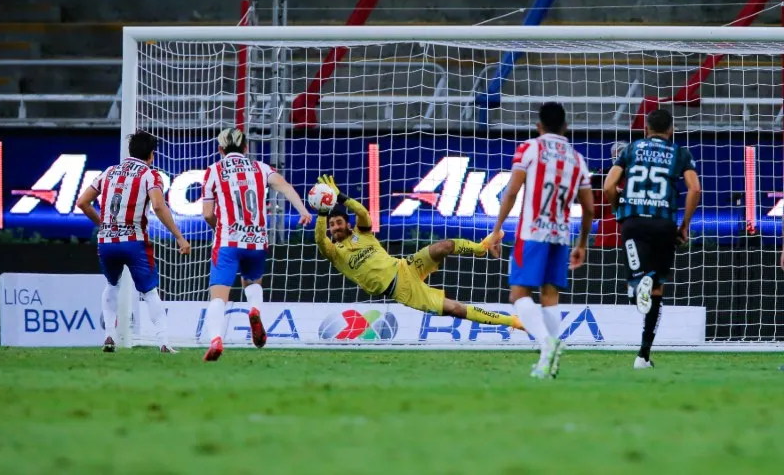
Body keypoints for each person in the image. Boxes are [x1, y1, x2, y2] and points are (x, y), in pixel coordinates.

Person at [313, 175, 525, 334]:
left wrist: (340, 197)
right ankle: (513, 321)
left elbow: (362, 212)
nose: (336, 227)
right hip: (403, 291)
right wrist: (323, 213)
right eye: (332, 225)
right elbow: (320, 239)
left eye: (339, 222)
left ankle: (481, 248)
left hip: (405, 266)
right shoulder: (334, 253)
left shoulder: (362, 233)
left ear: (346, 223)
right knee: (455, 308)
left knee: (444, 246)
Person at [488, 102, 595, 379]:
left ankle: (547, 344)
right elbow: (590, 208)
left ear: (539, 126)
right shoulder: (577, 158)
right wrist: (581, 243)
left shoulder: (530, 149)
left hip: (532, 232)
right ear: (565, 127)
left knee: (518, 294)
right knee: (550, 296)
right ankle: (551, 363)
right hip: (561, 234)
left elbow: (511, 192)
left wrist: (497, 228)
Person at [201, 128, 312, 362]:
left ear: (220, 150)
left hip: (228, 242)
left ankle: (216, 339)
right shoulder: (261, 168)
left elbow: (208, 213)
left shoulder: (213, 171)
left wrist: (219, 228)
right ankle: (254, 310)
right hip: (257, 241)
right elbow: (286, 187)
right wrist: (302, 210)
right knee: (252, 282)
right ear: (246, 149)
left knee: (218, 296)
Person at [76, 130, 190, 353]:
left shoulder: (109, 172)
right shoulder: (150, 175)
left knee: (111, 285)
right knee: (149, 292)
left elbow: (82, 202)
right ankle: (164, 341)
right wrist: (178, 236)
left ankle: (109, 335)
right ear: (151, 155)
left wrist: (102, 224)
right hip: (134, 241)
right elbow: (158, 206)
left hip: (107, 241)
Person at [604, 109, 701, 369]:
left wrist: (618, 210)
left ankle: (638, 285)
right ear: (671, 130)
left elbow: (608, 185)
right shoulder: (680, 153)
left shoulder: (631, 149)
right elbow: (695, 188)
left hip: (633, 222)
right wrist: (684, 225)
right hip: (663, 224)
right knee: (657, 288)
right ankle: (643, 356)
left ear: (645, 129)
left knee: (639, 284)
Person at [593, 141, 628, 248]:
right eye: (615, 156)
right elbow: (595, 214)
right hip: (606, 237)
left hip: (629, 235)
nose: (618, 159)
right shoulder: (601, 179)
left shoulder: (637, 180)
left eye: (621, 155)